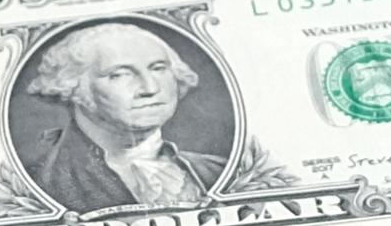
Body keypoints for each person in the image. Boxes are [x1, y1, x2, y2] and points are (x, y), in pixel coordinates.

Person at [14, 18, 229, 216]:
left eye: (158, 68)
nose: (150, 88)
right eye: (119, 74)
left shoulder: (218, 170)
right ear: (73, 86)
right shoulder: (39, 186)